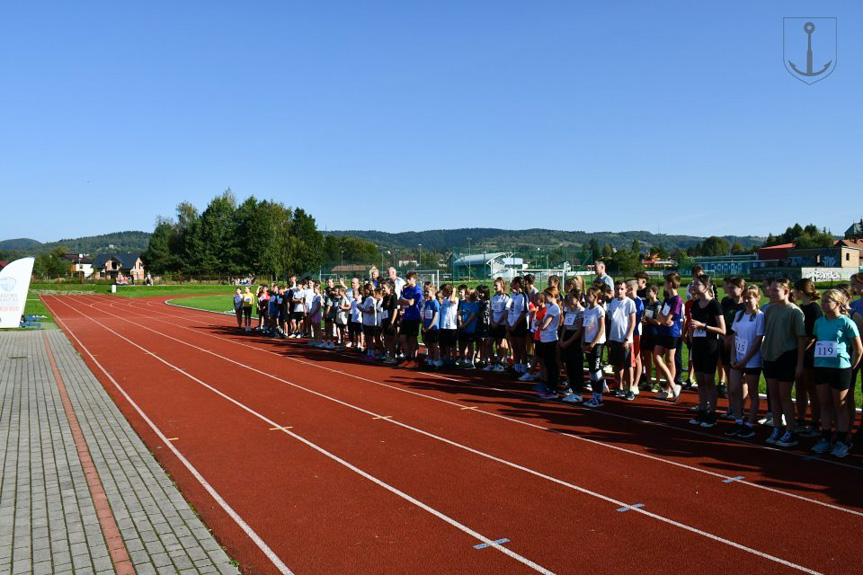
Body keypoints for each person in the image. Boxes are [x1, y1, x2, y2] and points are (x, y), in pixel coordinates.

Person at [810, 289, 863, 458]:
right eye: (823, 301)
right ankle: (825, 437)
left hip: (840, 369)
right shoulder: (819, 322)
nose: (823, 304)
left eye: (827, 301)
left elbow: (859, 349)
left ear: (838, 304)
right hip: (821, 367)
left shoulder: (847, 322)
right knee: (824, 403)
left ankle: (842, 440)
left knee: (840, 405)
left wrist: (851, 367)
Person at [762, 278, 807, 448]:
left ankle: (791, 430)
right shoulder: (770, 310)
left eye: (775, 290)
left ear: (786, 292)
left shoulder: (794, 312)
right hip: (770, 356)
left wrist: (799, 364)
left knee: (784, 396)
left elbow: (801, 339)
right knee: (773, 395)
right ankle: (777, 426)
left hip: (786, 357)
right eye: (770, 290)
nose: (771, 293)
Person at [687, 274, 726, 428]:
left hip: (710, 345)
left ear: (707, 286)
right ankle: (702, 410)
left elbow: (722, 329)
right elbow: (691, 324)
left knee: (709, 380)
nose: (694, 286)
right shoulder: (695, 305)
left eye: (697, 284)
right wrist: (691, 337)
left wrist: (703, 326)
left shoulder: (714, 304)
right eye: (694, 283)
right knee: (700, 380)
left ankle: (712, 414)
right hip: (697, 345)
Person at [726, 285, 765, 438]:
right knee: (734, 390)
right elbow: (735, 336)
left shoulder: (760, 316)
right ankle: (738, 420)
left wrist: (745, 360)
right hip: (737, 360)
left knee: (753, 393)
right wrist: (733, 357)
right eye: (746, 297)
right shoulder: (739, 315)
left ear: (757, 298)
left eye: (751, 297)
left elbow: (757, 341)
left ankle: (750, 424)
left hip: (752, 361)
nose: (748, 300)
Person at [793, 278, 823, 436]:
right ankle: (801, 419)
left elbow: (812, 335)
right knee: (799, 387)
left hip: (809, 355)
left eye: (794, 290)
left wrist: (801, 350)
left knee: (811, 389)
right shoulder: (799, 308)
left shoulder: (814, 309)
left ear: (801, 292)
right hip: (798, 353)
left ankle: (815, 423)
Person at [653, 273, 683, 402]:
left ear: (670, 283)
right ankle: (673, 385)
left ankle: (669, 389)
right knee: (657, 357)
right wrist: (663, 319)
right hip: (662, 331)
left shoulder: (677, 300)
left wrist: (664, 319)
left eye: (665, 282)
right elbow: (660, 317)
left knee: (670, 360)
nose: (664, 284)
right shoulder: (666, 299)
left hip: (672, 333)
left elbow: (667, 319)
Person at [607, 280, 637, 401]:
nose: (619, 291)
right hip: (614, 338)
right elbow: (611, 321)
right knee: (617, 365)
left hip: (625, 339)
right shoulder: (613, 302)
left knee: (628, 365)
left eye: (621, 289)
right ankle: (620, 386)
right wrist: (609, 337)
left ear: (626, 290)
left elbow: (633, 322)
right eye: (617, 289)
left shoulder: (630, 303)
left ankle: (630, 389)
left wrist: (627, 338)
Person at [582, 286, 608, 408]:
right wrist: (584, 342)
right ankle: (595, 395)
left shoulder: (599, 310)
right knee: (591, 369)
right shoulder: (587, 310)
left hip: (597, 344)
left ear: (596, 297)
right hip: (588, 343)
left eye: (589, 295)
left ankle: (599, 397)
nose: (587, 297)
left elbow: (602, 328)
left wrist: (593, 343)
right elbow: (584, 327)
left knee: (596, 369)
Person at [560, 288, 586, 403]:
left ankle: (578, 392)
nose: (569, 299)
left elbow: (579, 330)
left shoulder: (581, 311)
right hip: (567, 337)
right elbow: (565, 325)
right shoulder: (569, 310)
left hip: (574, 339)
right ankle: (572, 389)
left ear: (578, 299)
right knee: (569, 365)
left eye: (571, 297)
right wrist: (562, 339)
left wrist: (568, 342)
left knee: (576, 367)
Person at [536, 289, 562, 399]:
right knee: (547, 364)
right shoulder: (550, 307)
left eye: (547, 295)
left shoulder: (555, 308)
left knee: (551, 365)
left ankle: (553, 389)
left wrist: (540, 325)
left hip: (551, 339)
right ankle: (549, 387)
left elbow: (546, 325)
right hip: (545, 339)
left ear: (551, 296)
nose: (545, 297)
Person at [397, 271, 423, 368]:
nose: (407, 280)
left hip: (414, 317)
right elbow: (400, 301)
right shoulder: (406, 289)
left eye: (409, 279)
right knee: (402, 338)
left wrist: (405, 301)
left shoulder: (418, 290)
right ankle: (407, 357)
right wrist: (406, 301)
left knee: (412, 339)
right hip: (406, 317)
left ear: (414, 279)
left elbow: (412, 303)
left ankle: (414, 359)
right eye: (407, 278)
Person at [507, 277, 530, 375]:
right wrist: (509, 323)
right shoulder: (512, 296)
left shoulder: (523, 296)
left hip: (519, 325)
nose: (511, 285)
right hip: (511, 324)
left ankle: (523, 368)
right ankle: (517, 368)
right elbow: (508, 310)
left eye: (512, 283)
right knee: (514, 347)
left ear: (517, 284)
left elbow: (524, 312)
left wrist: (515, 324)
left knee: (521, 347)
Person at [487, 278, 511, 372]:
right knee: (488, 343)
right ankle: (492, 362)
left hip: (501, 324)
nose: (495, 287)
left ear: (502, 285)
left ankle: (500, 362)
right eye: (494, 285)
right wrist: (492, 321)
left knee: (500, 344)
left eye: (496, 285)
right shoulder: (494, 297)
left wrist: (498, 322)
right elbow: (491, 311)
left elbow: (505, 312)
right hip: (493, 323)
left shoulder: (506, 298)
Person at [422, 284, 441, 367]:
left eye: (428, 291)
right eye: (425, 291)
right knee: (429, 344)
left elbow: (435, 317)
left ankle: (436, 359)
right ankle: (430, 358)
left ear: (433, 292)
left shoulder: (435, 303)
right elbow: (426, 316)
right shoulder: (427, 303)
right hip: (427, 327)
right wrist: (424, 325)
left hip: (433, 328)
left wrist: (429, 327)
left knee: (434, 345)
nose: (426, 293)